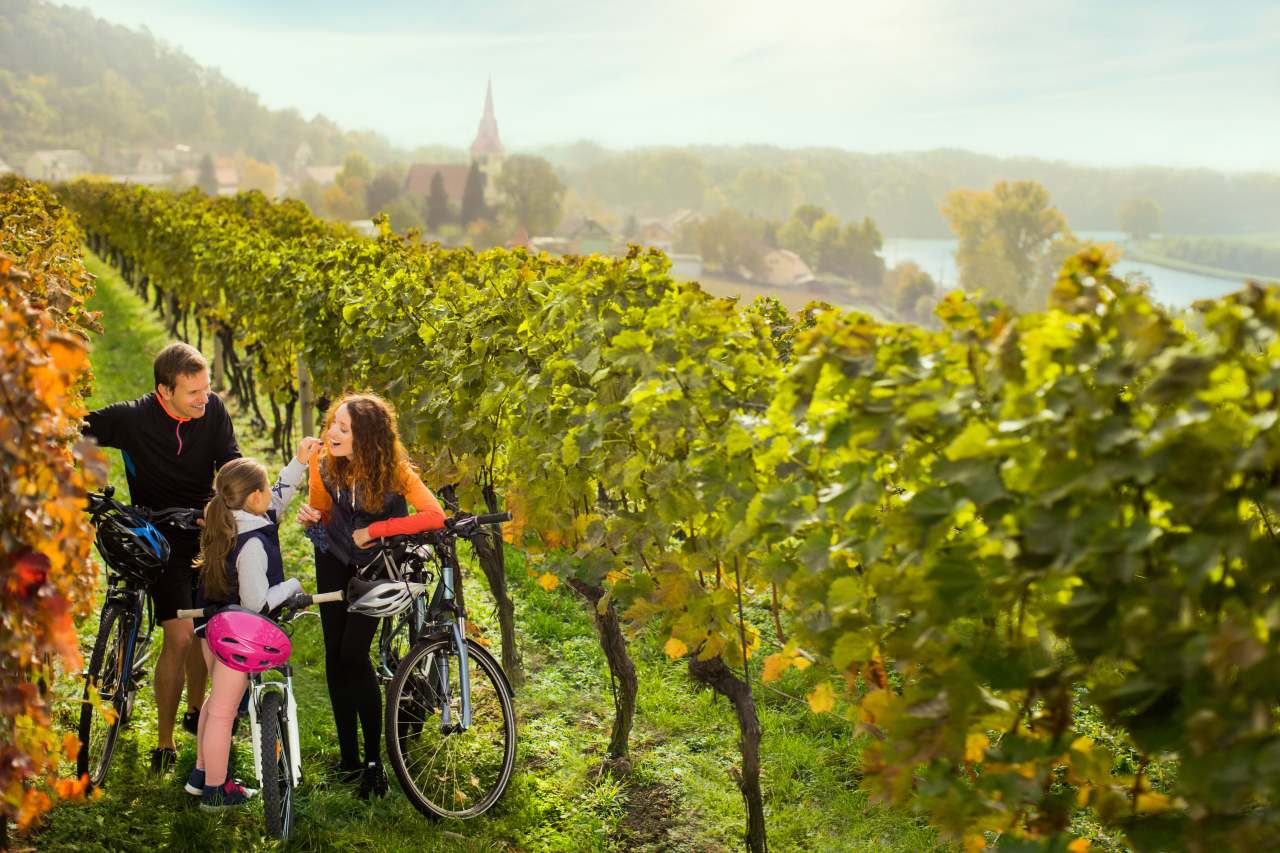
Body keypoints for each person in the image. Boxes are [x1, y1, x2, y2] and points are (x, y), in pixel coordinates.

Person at [83, 342, 240, 774]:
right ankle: (166, 740)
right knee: (180, 635)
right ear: (163, 391)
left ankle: (194, 710)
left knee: (204, 628)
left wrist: (231, 499)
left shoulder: (214, 411)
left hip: (205, 534)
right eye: (194, 392)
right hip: (158, 539)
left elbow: (230, 461)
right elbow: (75, 431)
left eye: (207, 389)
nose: (204, 399)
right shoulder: (133, 418)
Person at [297, 393, 445, 799]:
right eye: (333, 425)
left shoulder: (395, 472)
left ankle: (374, 763)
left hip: (376, 568)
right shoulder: (323, 463)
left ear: (367, 438)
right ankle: (348, 760)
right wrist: (313, 517)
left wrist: (377, 531)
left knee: (353, 655)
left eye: (344, 429)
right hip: (332, 558)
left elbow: (434, 516)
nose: (332, 433)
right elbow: (322, 512)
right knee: (333, 656)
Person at [184, 444, 316, 810]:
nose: (272, 498)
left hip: (208, 627)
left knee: (216, 703)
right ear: (254, 497)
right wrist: (292, 587)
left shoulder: (228, 519)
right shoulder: (253, 543)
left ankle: (200, 774)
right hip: (233, 635)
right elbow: (256, 602)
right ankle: (216, 789)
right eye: (266, 492)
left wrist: (299, 464)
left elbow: (278, 498)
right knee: (224, 712)